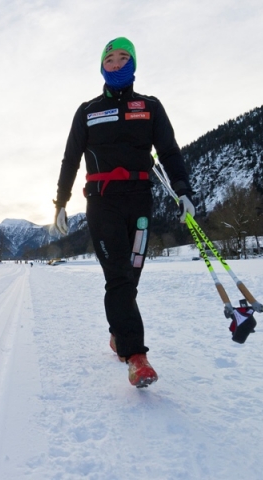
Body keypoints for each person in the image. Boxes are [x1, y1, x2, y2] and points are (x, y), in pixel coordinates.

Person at [53, 37, 194, 388]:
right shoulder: (87, 110)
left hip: (140, 200)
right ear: (102, 66)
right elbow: (71, 158)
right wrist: (60, 202)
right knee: (117, 275)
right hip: (102, 202)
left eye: (123, 58)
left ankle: (119, 333)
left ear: (133, 64)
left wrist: (183, 190)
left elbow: (169, 151)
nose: (116, 64)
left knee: (130, 277)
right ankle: (136, 357)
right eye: (110, 59)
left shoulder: (150, 107)